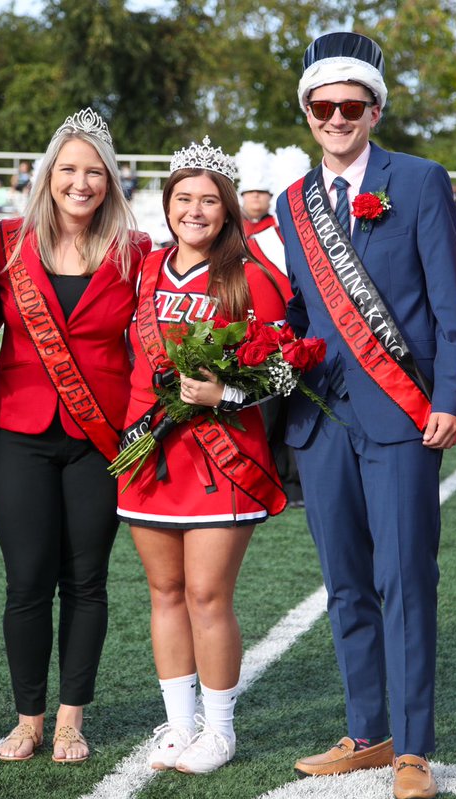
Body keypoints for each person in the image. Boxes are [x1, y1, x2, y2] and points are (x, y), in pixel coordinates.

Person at [277, 33, 456, 799]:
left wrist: (452, 395)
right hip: (322, 416)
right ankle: (367, 731)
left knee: (404, 578)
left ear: (375, 109)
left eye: (350, 106)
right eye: (322, 107)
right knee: (346, 582)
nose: (336, 118)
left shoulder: (419, 180)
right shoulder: (294, 203)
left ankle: (414, 749)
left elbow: (450, 303)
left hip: (402, 413)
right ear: (307, 111)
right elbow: (297, 305)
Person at [0, 108, 150, 765]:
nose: (81, 183)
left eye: (95, 173)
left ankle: (71, 722)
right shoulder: (5, 241)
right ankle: (28, 718)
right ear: (47, 174)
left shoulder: (134, 253)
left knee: (87, 580)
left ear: (110, 181)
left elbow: (150, 346)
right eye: (69, 170)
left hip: (100, 437)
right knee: (26, 580)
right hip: (15, 432)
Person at [119, 136, 288, 775]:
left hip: (222, 456)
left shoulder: (251, 277)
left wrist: (226, 391)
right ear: (167, 205)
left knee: (208, 595)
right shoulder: (144, 270)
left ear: (227, 210)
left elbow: (281, 373)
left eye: (208, 201)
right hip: (147, 450)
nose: (194, 211)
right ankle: (180, 722)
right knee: (164, 592)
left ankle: (219, 730)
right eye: (183, 199)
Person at [234, 140, 304, 507]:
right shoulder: (230, 231)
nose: (257, 199)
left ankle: (292, 484)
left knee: (288, 413)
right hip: (244, 338)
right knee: (260, 417)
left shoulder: (280, 232)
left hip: (284, 336)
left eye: (263, 192)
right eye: (251, 192)